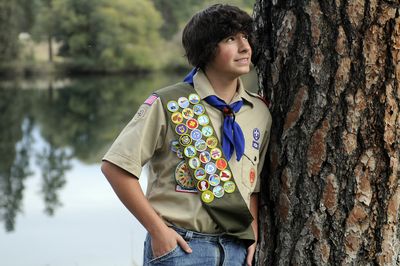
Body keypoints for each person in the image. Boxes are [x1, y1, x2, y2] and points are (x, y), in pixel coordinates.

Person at [101, 4, 272, 266]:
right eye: (230, 39)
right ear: (206, 49)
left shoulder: (258, 111)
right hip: (181, 249)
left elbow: (253, 186)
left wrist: (254, 236)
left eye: (246, 37)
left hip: (237, 250)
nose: (245, 47)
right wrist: (159, 232)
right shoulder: (169, 103)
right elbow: (116, 167)